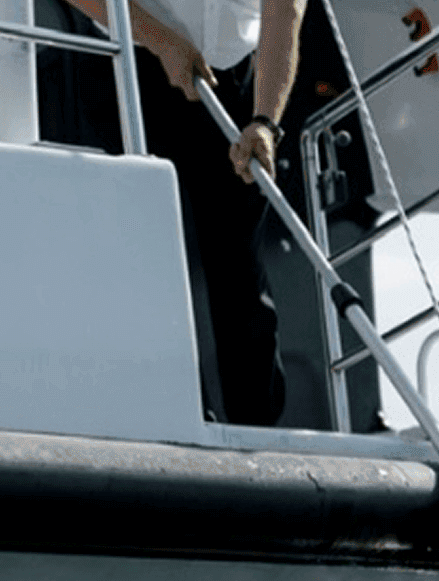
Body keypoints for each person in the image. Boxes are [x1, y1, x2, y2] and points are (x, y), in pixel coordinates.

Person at [60, 0, 308, 424]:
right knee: (144, 258)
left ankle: (258, 433)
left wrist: (265, 122)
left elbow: (283, 12)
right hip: (131, 65)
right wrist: (161, 40)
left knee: (239, 263)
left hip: (232, 80)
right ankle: (175, 418)